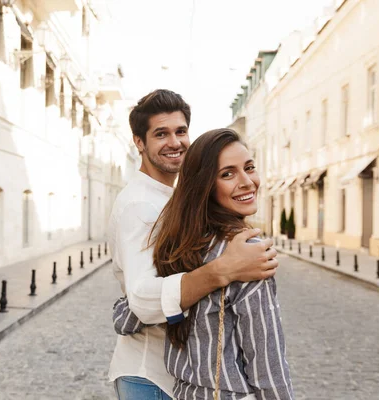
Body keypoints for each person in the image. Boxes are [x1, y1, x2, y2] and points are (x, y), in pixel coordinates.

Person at [108, 90, 279, 399]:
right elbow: (143, 301)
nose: (175, 142)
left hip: (180, 374)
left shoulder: (175, 200)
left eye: (181, 131)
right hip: (150, 374)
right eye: (161, 133)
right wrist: (222, 270)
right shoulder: (139, 205)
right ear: (139, 142)